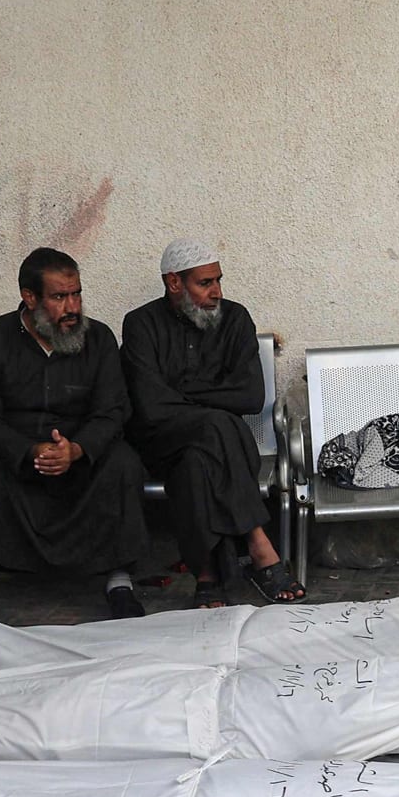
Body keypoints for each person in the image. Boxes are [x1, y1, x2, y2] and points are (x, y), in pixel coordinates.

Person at [0, 247, 151, 619]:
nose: (72, 307)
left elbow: (114, 411)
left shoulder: (99, 339)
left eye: (76, 294)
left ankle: (119, 580)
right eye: (59, 297)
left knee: (123, 464)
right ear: (29, 298)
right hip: (17, 452)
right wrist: (31, 450)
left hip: (80, 451)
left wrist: (77, 449)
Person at [119, 238, 305, 607]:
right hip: (160, 442)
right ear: (174, 283)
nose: (217, 291)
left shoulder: (236, 319)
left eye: (218, 281)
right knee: (221, 425)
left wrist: (182, 392)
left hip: (215, 451)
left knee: (195, 464)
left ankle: (207, 575)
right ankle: (259, 545)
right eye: (205, 283)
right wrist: (213, 396)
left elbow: (251, 397)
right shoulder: (141, 324)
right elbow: (151, 407)